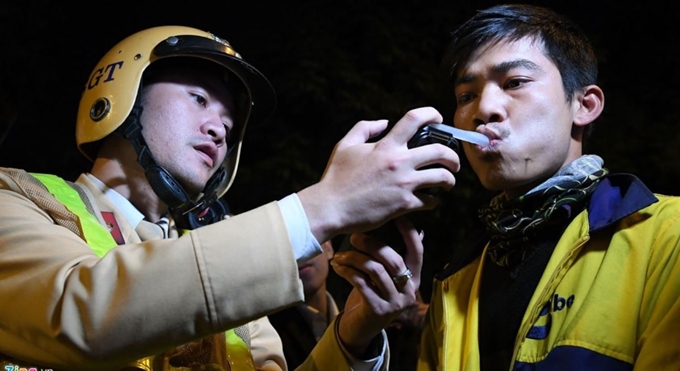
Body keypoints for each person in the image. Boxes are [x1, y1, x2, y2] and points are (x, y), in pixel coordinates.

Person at [0, 25, 460, 370]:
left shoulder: (233, 276)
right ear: (122, 98)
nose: (219, 128)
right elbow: (79, 313)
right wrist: (325, 206)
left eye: (229, 120)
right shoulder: (17, 199)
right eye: (200, 99)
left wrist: (353, 333)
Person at [411, 4, 680, 370]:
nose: (483, 109)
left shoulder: (668, 235)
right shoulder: (454, 280)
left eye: (515, 83)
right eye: (466, 96)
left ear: (584, 105)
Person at [268, 240, 339, 370]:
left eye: (305, 239)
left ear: (328, 247)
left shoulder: (360, 309)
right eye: (285, 248)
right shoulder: (269, 335)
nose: (298, 254)